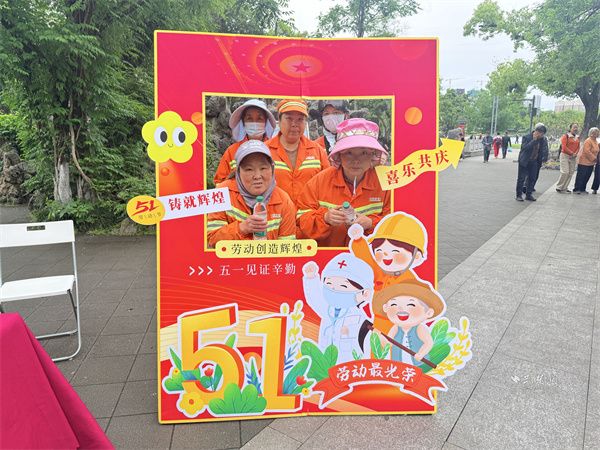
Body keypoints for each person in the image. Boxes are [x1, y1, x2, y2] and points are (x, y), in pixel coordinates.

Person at [296, 118, 390, 247]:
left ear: (373, 155)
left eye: (363, 153)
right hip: (329, 256)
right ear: (339, 155)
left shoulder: (386, 183)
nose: (356, 160)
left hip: (370, 255)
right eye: (349, 153)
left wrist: (371, 223)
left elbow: (396, 222)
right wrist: (325, 218)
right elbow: (301, 219)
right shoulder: (319, 182)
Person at [348, 212, 429, 336]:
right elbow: (367, 261)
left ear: (416, 256)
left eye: (395, 251)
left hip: (400, 327)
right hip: (378, 325)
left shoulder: (409, 280)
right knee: (376, 347)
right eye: (380, 250)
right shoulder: (382, 272)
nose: (386, 256)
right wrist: (358, 241)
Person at [207, 140, 296, 246]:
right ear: (238, 172)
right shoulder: (220, 194)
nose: (257, 176)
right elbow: (212, 240)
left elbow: (288, 248)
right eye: (249, 169)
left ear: (272, 169)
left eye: (263, 168)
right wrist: (241, 228)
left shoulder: (284, 201)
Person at [302, 253, 374, 363]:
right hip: (326, 364)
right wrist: (311, 278)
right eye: (329, 284)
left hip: (349, 367)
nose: (334, 290)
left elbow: (367, 346)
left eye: (343, 286)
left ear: (365, 294)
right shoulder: (327, 310)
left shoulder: (360, 319)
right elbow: (315, 299)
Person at [266, 99, 330, 203]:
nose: (294, 124)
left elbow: (328, 184)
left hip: (309, 211)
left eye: (300, 119)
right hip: (276, 212)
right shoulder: (265, 151)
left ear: (305, 122)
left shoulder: (317, 151)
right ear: (279, 120)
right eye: (289, 118)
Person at [371, 279, 445, 365]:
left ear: (428, 313)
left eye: (411, 305)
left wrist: (421, 354)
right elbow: (389, 343)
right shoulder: (395, 328)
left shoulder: (419, 328)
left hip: (418, 363)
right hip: (399, 363)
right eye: (394, 304)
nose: (401, 309)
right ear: (385, 308)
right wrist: (378, 336)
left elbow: (428, 343)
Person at [213, 99, 276, 185]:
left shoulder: (275, 149)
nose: (254, 123)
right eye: (249, 119)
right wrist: (237, 178)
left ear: (266, 122)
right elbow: (219, 183)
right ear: (243, 122)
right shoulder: (231, 151)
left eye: (259, 118)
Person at [516, 124, 547, 202]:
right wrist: (534, 140)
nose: (542, 136)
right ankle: (519, 195)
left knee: (532, 178)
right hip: (525, 161)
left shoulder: (542, 139)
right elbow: (525, 148)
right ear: (537, 132)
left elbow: (541, 150)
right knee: (521, 179)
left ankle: (528, 195)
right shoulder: (526, 137)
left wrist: (541, 160)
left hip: (534, 161)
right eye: (541, 134)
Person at [573, 127, 600, 194]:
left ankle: (582, 189)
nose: (597, 134)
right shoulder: (588, 141)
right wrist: (594, 158)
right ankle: (577, 189)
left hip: (591, 163)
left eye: (597, 133)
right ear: (591, 133)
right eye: (595, 133)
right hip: (584, 162)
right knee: (581, 176)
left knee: (587, 176)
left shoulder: (596, 141)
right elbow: (586, 151)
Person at [555, 123, 580, 193]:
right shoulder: (565, 136)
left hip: (573, 157)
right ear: (570, 128)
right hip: (565, 155)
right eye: (574, 127)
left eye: (576, 127)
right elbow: (564, 147)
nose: (575, 129)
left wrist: (575, 153)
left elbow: (578, 147)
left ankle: (565, 188)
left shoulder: (577, 137)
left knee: (571, 173)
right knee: (565, 172)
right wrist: (572, 153)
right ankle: (559, 187)